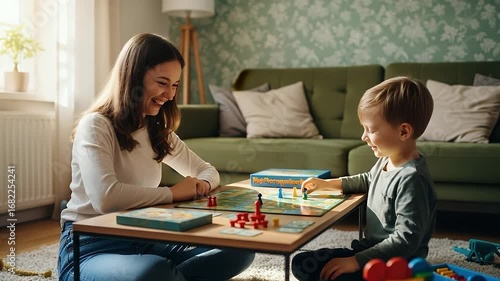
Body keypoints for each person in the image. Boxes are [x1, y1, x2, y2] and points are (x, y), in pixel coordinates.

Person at [58, 33, 255, 281]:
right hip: (90, 248)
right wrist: (174, 193)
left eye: (174, 85)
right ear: (133, 78)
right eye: (162, 83)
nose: (170, 95)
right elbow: (105, 198)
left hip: (144, 240)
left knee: (240, 251)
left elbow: (208, 171)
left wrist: (199, 186)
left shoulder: (157, 131)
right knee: (153, 271)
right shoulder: (96, 126)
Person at [291, 76, 436, 281]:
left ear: (403, 131)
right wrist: (331, 183)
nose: (364, 137)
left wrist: (355, 261)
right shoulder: (387, 160)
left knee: (335, 276)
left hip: (396, 264)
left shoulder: (412, 178)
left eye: (371, 129)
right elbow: (369, 179)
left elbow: (406, 240)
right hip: (369, 251)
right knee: (301, 263)